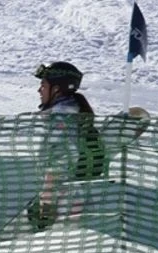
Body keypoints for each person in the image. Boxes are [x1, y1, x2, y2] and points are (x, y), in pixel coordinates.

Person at [29, 61, 106, 230]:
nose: (39, 90)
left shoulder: (62, 117)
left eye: (43, 85)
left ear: (56, 89)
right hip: (73, 193)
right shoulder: (70, 112)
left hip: (69, 200)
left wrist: (46, 206)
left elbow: (60, 163)